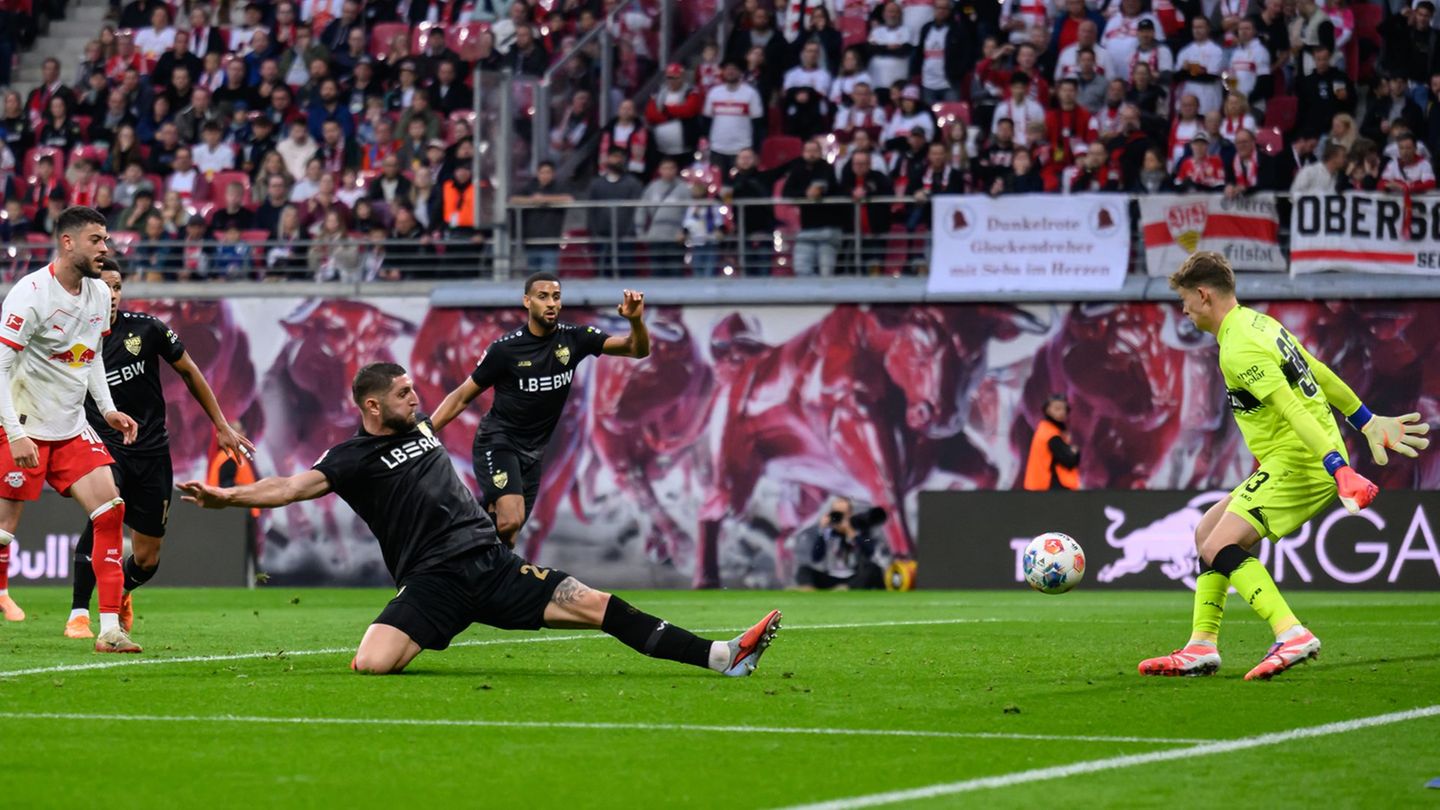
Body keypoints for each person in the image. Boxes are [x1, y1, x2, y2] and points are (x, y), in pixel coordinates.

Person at [179, 363, 781, 676]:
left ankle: (722, 656)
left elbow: (465, 401)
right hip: (433, 581)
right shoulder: (350, 458)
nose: (416, 400)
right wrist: (223, 498)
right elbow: (287, 487)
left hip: (491, 565)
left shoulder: (419, 428)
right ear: (371, 405)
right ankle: (430, 628)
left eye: (414, 392)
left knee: (597, 604)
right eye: (404, 393)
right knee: (370, 664)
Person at [1141, 252, 1430, 681]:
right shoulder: (1258, 323)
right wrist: (1365, 420)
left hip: (1303, 458)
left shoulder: (1238, 348)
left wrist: (1337, 468)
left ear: (1203, 295)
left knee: (1220, 546)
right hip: (1296, 455)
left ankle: (1290, 632)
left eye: (1184, 300)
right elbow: (1317, 371)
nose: (1182, 310)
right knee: (1206, 532)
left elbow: (1293, 408)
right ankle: (1201, 645)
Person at [64, 257, 254, 638]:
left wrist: (221, 424)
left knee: (148, 559)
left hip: (151, 454)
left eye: (117, 287)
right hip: (102, 447)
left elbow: (189, 370)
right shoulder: (70, 339)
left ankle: (122, 592)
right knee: (107, 512)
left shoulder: (147, 330)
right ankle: (79, 613)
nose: (112, 295)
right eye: (105, 287)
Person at [0, 207, 142, 652]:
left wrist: (108, 408)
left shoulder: (99, 293)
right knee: (3, 531)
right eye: (97, 240)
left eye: (105, 240)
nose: (106, 248)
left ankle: (109, 631)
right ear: (68, 243)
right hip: (23, 424)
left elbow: (91, 354)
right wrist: (15, 433)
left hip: (71, 426)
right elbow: (1, 366)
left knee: (110, 510)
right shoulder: (31, 294)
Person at [429, 274, 650, 548]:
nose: (551, 303)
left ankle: (477, 568)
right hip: (498, 442)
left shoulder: (575, 339)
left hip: (534, 453)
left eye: (556, 297)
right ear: (527, 301)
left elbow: (636, 350)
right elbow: (462, 396)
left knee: (509, 533)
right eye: (543, 296)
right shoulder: (505, 350)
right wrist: (426, 431)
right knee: (509, 519)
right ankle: (457, 548)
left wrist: (636, 321)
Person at [792, 496, 884, 590]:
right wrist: (821, 532)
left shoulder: (859, 529)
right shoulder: (827, 533)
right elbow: (816, 557)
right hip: (831, 578)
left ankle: (845, 589)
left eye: (843, 514)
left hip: (854, 578)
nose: (839, 518)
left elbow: (870, 549)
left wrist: (851, 533)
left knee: (873, 569)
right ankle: (809, 590)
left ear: (850, 514)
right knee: (803, 570)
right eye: (836, 514)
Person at [1023, 394, 1080, 490]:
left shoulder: (1047, 430)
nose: (1062, 412)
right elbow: (1068, 460)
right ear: (1048, 410)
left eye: (1064, 409)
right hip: (1049, 489)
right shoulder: (1050, 434)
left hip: (1043, 489)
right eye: (1057, 409)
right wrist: (1074, 452)